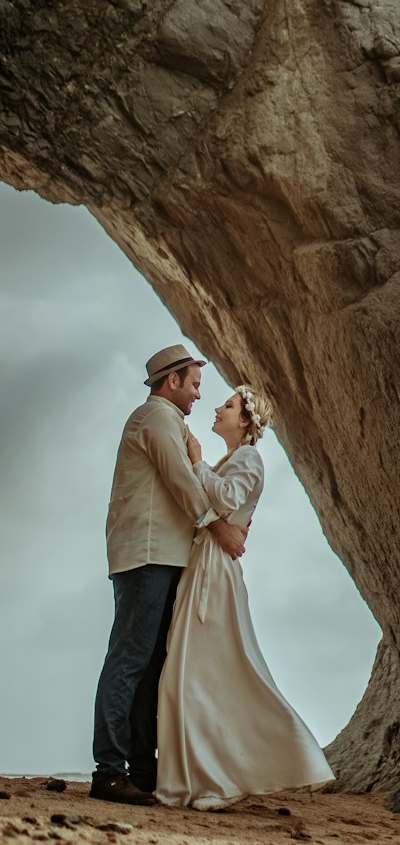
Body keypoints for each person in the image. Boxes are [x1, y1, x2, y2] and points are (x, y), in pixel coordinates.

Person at [155, 383, 333, 809]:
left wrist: (196, 463)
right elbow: (216, 503)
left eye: (229, 405)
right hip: (205, 565)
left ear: (247, 421)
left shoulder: (249, 457)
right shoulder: (232, 459)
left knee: (202, 676)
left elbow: (228, 497)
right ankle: (204, 779)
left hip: (215, 572)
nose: (218, 408)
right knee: (188, 677)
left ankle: (225, 780)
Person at [91, 345, 248, 806]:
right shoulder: (156, 417)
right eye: (195, 384)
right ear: (171, 380)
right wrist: (220, 529)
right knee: (130, 660)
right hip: (147, 554)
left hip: (162, 554)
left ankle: (141, 771)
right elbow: (181, 480)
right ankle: (109, 770)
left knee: (150, 666)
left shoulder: (169, 421)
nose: (200, 395)